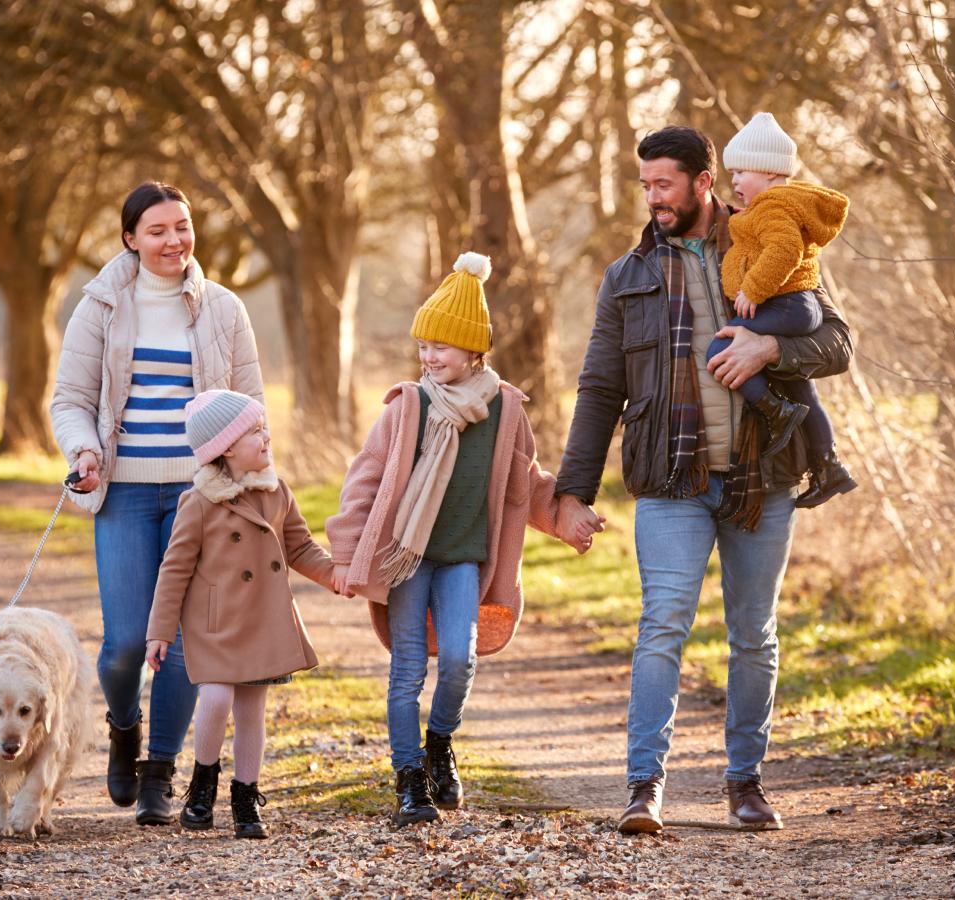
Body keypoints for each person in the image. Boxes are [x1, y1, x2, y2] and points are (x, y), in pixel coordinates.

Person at [554, 125, 853, 834]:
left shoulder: (771, 240)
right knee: (662, 625)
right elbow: (599, 389)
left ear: (702, 181)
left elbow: (837, 341)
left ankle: (745, 783)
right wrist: (572, 492)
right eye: (646, 186)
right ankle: (643, 788)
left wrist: (770, 346)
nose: (653, 198)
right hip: (669, 482)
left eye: (665, 184)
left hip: (763, 478)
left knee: (753, 634)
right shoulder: (626, 277)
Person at [326, 252, 597, 828]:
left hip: (463, 561)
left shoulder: (505, 411)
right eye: (423, 346)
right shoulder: (408, 407)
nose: (429, 357)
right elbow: (363, 482)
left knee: (458, 658)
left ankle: (438, 743)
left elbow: (527, 484)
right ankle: (408, 780)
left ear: (475, 351)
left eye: (441, 348)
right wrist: (348, 557)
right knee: (405, 670)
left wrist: (567, 517)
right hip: (406, 558)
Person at [50, 181, 264, 826]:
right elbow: (70, 401)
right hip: (125, 492)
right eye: (158, 231)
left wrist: (256, 485)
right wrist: (84, 452)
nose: (175, 241)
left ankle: (160, 774)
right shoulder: (100, 307)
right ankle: (124, 725)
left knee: (180, 642)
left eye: (183, 227)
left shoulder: (225, 309)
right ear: (130, 240)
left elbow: (251, 407)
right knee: (123, 645)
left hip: (203, 494)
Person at [144, 390, 333, 839]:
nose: (266, 437)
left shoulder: (276, 490)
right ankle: (203, 784)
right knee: (215, 699)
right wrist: (160, 630)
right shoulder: (199, 501)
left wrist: (337, 577)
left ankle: (246, 797)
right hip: (216, 622)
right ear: (226, 447)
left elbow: (300, 546)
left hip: (263, 619)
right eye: (254, 431)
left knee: (252, 711)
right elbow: (174, 568)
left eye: (264, 427)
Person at [707, 111, 857, 508]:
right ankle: (829, 467)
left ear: (772, 173)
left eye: (742, 171)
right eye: (732, 172)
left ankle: (775, 412)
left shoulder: (774, 206)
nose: (734, 180)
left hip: (788, 304)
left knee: (721, 348)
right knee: (801, 385)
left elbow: (785, 250)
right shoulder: (772, 207)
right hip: (796, 305)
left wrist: (753, 292)